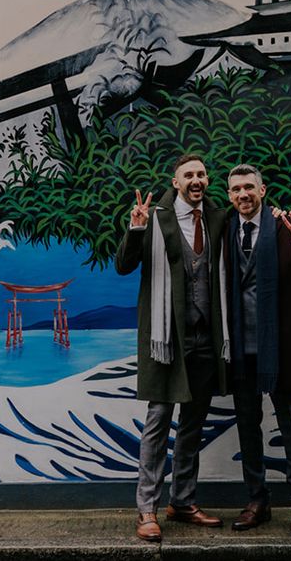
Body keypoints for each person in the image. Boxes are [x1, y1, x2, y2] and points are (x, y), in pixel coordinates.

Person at [115, 154, 229, 543]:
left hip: (205, 338)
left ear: (207, 180)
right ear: (176, 182)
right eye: (188, 176)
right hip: (166, 339)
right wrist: (135, 228)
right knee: (158, 422)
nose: (196, 180)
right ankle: (147, 508)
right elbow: (124, 266)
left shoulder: (217, 217)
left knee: (193, 424)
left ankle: (182, 501)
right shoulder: (156, 217)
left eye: (201, 174)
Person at [224, 163, 291, 538]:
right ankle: (257, 501)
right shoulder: (226, 229)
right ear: (230, 196)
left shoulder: (284, 228)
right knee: (248, 426)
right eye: (236, 190)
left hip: (281, 344)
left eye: (249, 187)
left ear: (262, 191)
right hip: (240, 346)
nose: (243, 195)